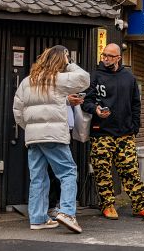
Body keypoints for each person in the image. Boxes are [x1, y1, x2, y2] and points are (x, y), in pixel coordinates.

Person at [13, 45, 90, 233]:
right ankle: (67, 213)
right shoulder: (57, 79)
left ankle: (38, 219)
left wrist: (31, 129)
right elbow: (84, 79)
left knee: (38, 177)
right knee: (68, 172)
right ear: (60, 60)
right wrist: (70, 63)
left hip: (33, 138)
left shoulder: (27, 81)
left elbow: (18, 111)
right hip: (54, 135)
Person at [82, 43, 144, 220]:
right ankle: (107, 205)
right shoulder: (95, 76)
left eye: (110, 56)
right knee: (103, 171)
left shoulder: (129, 78)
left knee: (131, 171)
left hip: (125, 134)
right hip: (101, 132)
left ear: (118, 58)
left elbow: (136, 105)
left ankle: (139, 206)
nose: (106, 58)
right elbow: (86, 101)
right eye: (104, 55)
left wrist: (134, 127)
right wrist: (96, 110)